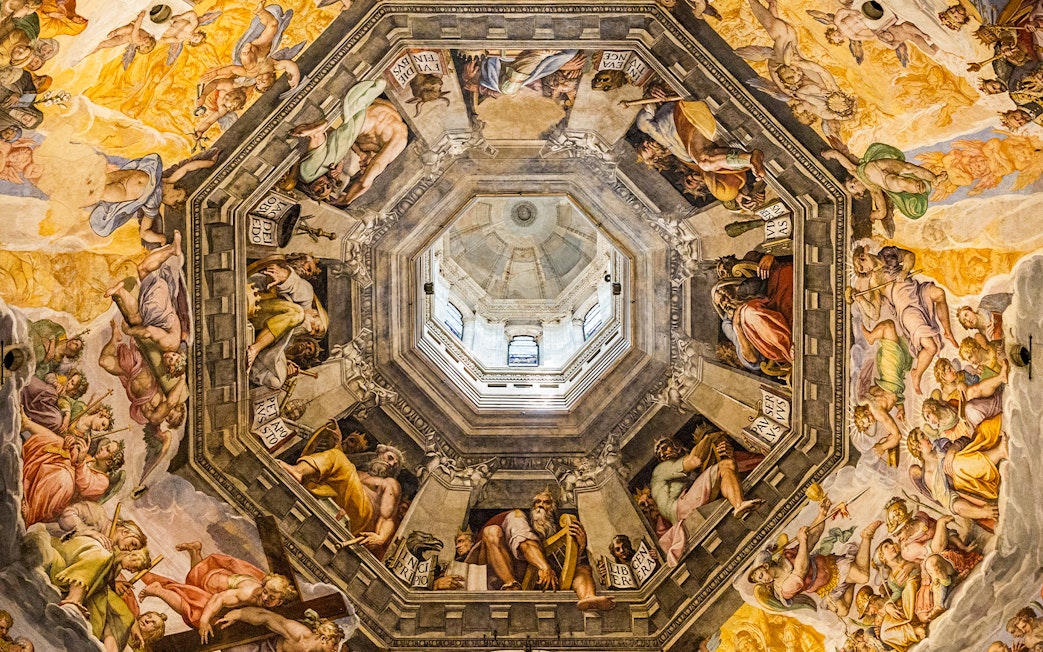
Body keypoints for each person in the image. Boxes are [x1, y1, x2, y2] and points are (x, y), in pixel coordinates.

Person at [462, 490, 614, 611]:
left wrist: (579, 549)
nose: (541, 505)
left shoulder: (556, 531)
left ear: (553, 509)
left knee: (582, 568)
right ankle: (511, 585)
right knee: (492, 531)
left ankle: (588, 597)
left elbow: (570, 565)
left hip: (544, 582)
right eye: (537, 502)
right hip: (508, 574)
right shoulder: (518, 517)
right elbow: (525, 543)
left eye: (546, 503)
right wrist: (544, 566)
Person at [138, 540, 298, 644]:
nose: (264, 597)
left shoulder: (268, 596)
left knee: (195, 577)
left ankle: (195, 551)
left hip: (220, 578)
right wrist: (204, 622)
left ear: (281, 601)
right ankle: (159, 590)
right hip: (212, 583)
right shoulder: (247, 593)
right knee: (195, 613)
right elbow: (218, 599)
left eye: (271, 597)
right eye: (264, 592)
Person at [633, 88, 765, 202]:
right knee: (724, 190)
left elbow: (651, 104)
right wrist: (745, 193)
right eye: (645, 149)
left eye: (643, 144)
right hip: (700, 136)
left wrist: (655, 94)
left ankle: (749, 159)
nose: (646, 143)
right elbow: (717, 176)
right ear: (656, 159)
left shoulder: (645, 126)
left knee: (704, 162)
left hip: (686, 114)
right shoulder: (683, 159)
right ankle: (749, 159)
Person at [649, 434, 763, 565]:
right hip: (682, 507)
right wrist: (710, 437)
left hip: (684, 507)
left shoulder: (678, 474)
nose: (662, 454)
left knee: (726, 467)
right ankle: (739, 504)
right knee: (725, 465)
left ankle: (739, 505)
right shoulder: (661, 469)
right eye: (659, 454)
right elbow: (695, 460)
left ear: (677, 445)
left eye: (664, 448)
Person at [291, 79, 408, 206]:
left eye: (362, 168)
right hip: (358, 118)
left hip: (362, 112)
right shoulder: (394, 145)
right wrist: (347, 200)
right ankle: (317, 133)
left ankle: (317, 134)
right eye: (365, 168)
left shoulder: (390, 133)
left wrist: (357, 156)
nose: (363, 167)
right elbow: (364, 183)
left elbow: (347, 144)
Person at [747, 509, 877, 616]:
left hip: (832, 568)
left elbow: (812, 538)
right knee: (843, 611)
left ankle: (866, 536)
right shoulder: (783, 589)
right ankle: (851, 579)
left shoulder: (786, 556)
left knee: (863, 576)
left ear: (765, 566)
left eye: (761, 576)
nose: (763, 580)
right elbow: (801, 570)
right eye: (760, 580)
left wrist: (821, 514)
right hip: (826, 587)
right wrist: (802, 541)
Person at [279, 443, 405, 552]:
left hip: (361, 515)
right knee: (322, 475)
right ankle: (300, 472)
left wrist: (381, 537)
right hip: (341, 504)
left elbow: (388, 517)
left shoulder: (390, 483)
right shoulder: (358, 474)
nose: (391, 464)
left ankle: (298, 471)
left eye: (395, 465)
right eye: (390, 458)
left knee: (338, 456)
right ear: (379, 454)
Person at [20, 411, 123, 525]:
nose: (102, 447)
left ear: (109, 461)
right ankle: (27, 424)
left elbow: (84, 486)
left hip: (63, 498)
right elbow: (73, 458)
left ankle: (32, 513)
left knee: (63, 477)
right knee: (60, 442)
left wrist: (80, 460)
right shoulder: (90, 459)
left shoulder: (103, 481)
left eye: (107, 449)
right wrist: (71, 443)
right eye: (105, 446)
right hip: (61, 475)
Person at [907, 419, 1006, 522]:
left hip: (975, 454)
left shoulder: (939, 445)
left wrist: (953, 449)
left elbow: (965, 440)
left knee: (985, 428)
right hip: (976, 484)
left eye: (924, 434)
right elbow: (953, 505)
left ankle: (997, 451)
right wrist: (982, 512)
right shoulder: (930, 476)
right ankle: (1000, 452)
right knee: (957, 464)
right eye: (923, 437)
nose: (927, 437)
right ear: (918, 447)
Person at [823, 144, 947, 222]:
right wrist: (874, 215)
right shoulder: (873, 190)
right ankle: (917, 187)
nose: (854, 184)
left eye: (851, 183)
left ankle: (934, 179)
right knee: (900, 182)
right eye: (853, 188)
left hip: (881, 165)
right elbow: (882, 211)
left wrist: (831, 153)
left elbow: (842, 160)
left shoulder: (856, 171)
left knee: (908, 167)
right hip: (887, 181)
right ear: (860, 193)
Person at [199, 2, 301, 93]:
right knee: (274, 24)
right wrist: (295, 77)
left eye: (258, 83)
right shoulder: (275, 66)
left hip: (249, 55)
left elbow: (233, 69)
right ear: (272, 77)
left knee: (250, 67)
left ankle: (245, 53)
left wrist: (216, 73)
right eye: (264, 81)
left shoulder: (251, 75)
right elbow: (290, 65)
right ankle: (261, 12)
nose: (260, 80)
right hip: (261, 47)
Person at [853, 319, 913, 461]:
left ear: (866, 412)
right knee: (890, 328)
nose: (872, 421)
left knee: (888, 327)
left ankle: (871, 337)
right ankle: (872, 337)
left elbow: (896, 435)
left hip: (890, 375)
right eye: (870, 424)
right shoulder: (874, 405)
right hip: (893, 379)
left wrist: (882, 447)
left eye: (868, 420)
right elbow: (896, 436)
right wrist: (883, 446)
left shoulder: (875, 407)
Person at [214, 607, 345, 652]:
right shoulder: (298, 633)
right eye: (334, 644)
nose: (335, 649)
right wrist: (238, 614)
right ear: (323, 639)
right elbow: (266, 617)